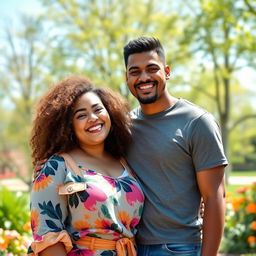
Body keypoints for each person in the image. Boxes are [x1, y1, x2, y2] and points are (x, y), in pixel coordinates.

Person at [123, 37, 228, 256]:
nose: (144, 78)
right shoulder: (124, 127)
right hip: (130, 246)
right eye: (135, 71)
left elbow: (215, 197)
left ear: (167, 71)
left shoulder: (197, 122)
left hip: (180, 248)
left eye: (152, 69)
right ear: (127, 78)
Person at [27, 75, 144, 256]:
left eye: (98, 109)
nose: (93, 118)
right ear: (67, 125)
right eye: (81, 115)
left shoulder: (124, 161)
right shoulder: (57, 166)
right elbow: (47, 237)